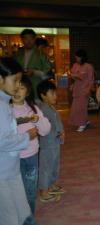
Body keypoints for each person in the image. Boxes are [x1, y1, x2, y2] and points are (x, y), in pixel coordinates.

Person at [0, 57, 37, 225]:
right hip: (2, 172)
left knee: (22, 210)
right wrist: (27, 136)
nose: (17, 86)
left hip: (10, 168)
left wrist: (21, 122)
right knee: (10, 216)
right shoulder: (1, 105)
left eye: (20, 81)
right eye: (15, 80)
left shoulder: (4, 102)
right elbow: (2, 140)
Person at [12, 75, 51, 214]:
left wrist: (37, 120)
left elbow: (46, 130)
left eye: (21, 88)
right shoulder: (5, 109)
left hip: (30, 156)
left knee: (29, 191)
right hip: (11, 158)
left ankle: (29, 218)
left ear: (27, 92)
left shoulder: (33, 109)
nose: (17, 91)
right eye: (15, 87)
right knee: (13, 193)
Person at [37, 80, 65, 202]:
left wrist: (62, 131)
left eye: (55, 93)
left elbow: (57, 122)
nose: (55, 96)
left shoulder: (50, 107)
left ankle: (51, 185)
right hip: (47, 144)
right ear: (43, 95)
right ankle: (43, 191)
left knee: (54, 165)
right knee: (46, 167)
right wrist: (58, 133)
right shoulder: (42, 109)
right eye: (52, 93)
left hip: (55, 143)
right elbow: (44, 128)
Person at [14, 29, 51, 99]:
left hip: (36, 87)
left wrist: (34, 72)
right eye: (26, 38)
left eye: (31, 38)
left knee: (36, 107)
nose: (28, 41)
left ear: (34, 39)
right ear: (22, 40)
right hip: (20, 87)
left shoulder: (41, 54)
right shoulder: (17, 54)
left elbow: (48, 73)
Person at [68, 49, 94, 132]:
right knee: (75, 107)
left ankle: (82, 123)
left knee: (81, 108)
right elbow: (72, 76)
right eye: (76, 57)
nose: (76, 59)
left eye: (78, 57)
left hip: (84, 89)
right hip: (77, 89)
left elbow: (91, 79)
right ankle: (85, 121)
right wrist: (72, 83)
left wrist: (88, 89)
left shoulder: (88, 66)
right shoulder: (75, 65)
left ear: (82, 57)